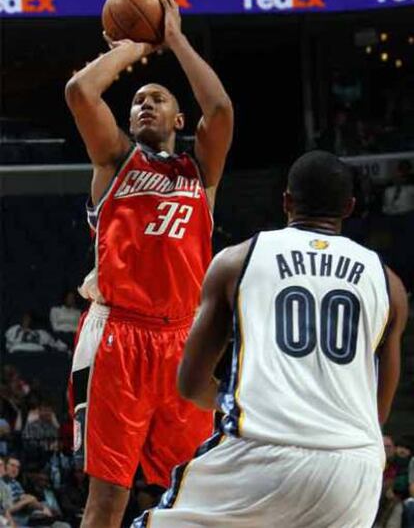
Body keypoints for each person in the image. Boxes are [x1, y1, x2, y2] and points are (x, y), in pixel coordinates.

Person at [134, 151, 408, 527]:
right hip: (354, 468)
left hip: (262, 453)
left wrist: (249, 403)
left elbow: (190, 383)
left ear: (286, 201)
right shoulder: (389, 284)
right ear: (349, 207)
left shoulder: (236, 261)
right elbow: (377, 413)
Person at [65, 0, 233, 528]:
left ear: (179, 119)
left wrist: (175, 39)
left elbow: (221, 108)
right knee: (108, 500)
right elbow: (79, 91)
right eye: (138, 98)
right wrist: (133, 46)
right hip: (120, 336)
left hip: (183, 341)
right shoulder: (115, 160)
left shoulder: (199, 174)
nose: (144, 104)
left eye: (157, 98)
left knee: (193, 493)